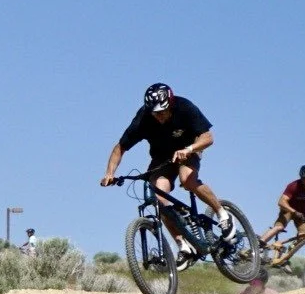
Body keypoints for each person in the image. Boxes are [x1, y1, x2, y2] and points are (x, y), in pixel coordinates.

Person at [100, 83, 235, 270]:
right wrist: (110, 173)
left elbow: (207, 137)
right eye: (155, 113)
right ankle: (184, 247)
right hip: (162, 159)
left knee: (187, 179)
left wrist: (189, 149)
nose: (159, 116)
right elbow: (120, 147)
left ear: (170, 103)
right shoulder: (144, 119)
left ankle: (222, 213)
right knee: (158, 198)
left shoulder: (184, 107)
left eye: (162, 111)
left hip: (189, 150)